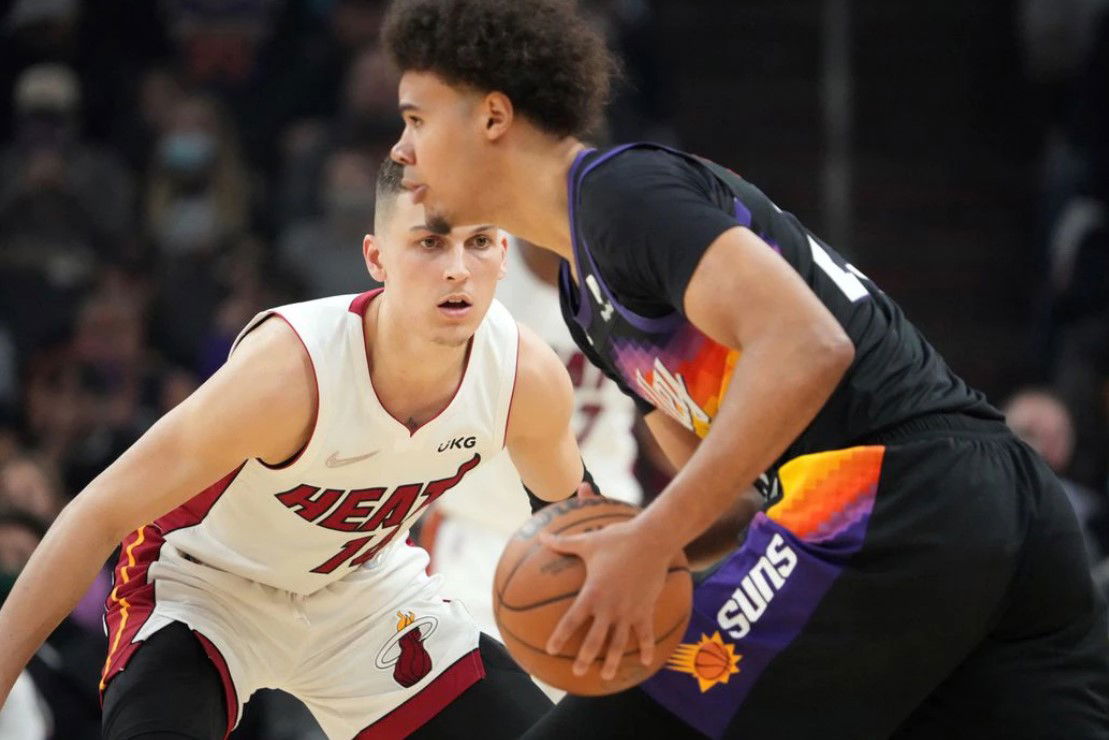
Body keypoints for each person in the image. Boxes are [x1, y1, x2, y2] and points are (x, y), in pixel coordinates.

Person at [381, 1, 1109, 737]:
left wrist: (651, 540)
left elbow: (808, 347)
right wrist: (619, 556)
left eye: (415, 118)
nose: (401, 151)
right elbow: (737, 511)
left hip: (890, 492)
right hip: (979, 504)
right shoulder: (586, 297)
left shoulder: (619, 194)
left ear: (494, 118)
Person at [0, 158, 588, 739]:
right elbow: (96, 514)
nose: (458, 268)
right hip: (207, 588)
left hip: (367, 594)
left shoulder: (522, 376)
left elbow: (582, 528)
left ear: (504, 254)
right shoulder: (288, 372)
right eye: (431, 242)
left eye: (479, 242)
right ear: (376, 257)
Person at [423, 235, 642, 641]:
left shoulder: (636, 276)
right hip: (478, 537)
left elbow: (665, 414)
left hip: (604, 537)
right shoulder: (466, 270)